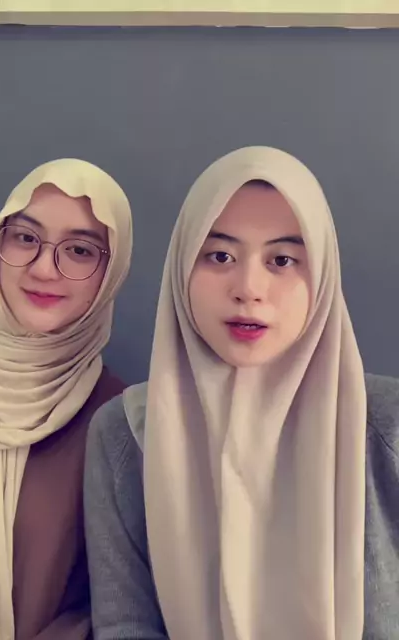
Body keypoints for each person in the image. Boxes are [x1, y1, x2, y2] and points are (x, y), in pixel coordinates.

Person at [84, 146, 399, 640]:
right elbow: (126, 626)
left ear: (322, 275)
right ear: (182, 266)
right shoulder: (124, 433)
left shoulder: (386, 424)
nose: (249, 287)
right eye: (220, 256)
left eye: (283, 259)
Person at [0, 158, 132, 640]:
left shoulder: (121, 421)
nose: (42, 269)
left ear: (112, 270)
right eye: (25, 238)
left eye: (79, 250)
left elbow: (110, 610)